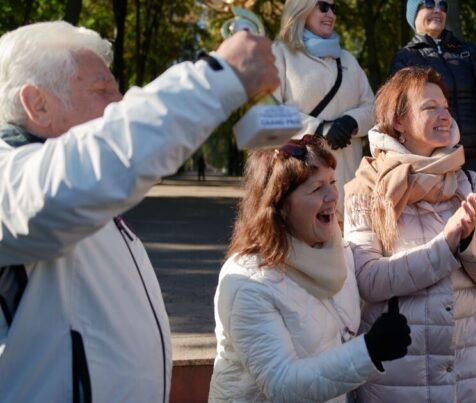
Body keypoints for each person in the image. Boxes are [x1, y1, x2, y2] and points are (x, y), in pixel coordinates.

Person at [0, 22, 278, 401]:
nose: (121, 101)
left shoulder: (88, 193)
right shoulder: (16, 179)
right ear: (39, 104)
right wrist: (216, 79)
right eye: (102, 90)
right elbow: (71, 185)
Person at [344, 67, 476, 402]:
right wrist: (445, 246)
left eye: (446, 106)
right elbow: (368, 280)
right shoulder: (366, 187)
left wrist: (468, 241)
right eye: (429, 107)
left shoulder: (471, 183)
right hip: (399, 376)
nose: (444, 115)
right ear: (398, 122)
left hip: (472, 372)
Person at [208, 136, 411, 402]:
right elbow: (281, 384)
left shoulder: (340, 252)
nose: (332, 195)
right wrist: (369, 351)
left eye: (332, 182)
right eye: (316, 188)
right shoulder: (247, 283)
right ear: (280, 206)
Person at [272, 0, 375, 223]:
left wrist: (351, 122)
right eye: (323, 7)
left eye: (334, 8)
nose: (330, 14)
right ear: (303, 7)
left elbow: (373, 108)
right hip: (299, 186)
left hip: (348, 189)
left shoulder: (348, 60)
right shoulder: (281, 54)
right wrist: (319, 128)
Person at [389, 0, 476, 187]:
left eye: (443, 5)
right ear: (414, 13)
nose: (438, 10)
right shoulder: (405, 58)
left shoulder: (469, 52)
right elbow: (399, 112)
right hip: (435, 160)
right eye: (429, 3)